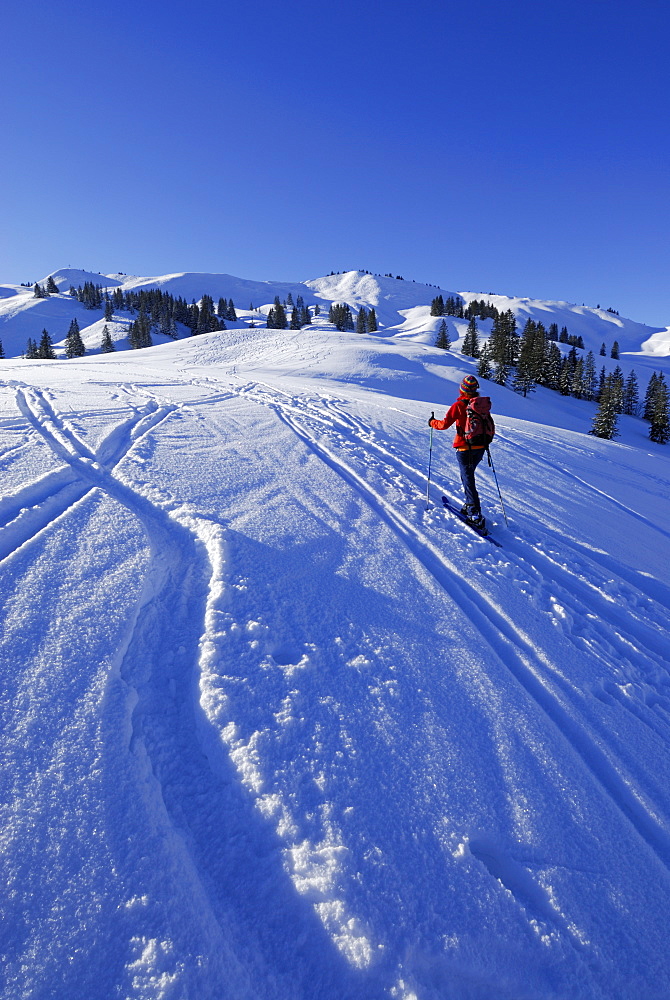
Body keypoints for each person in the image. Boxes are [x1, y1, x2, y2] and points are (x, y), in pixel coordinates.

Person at [429, 375, 487, 529]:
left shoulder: (459, 405)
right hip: (480, 447)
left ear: (462, 389)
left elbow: (444, 424)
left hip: (464, 448)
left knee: (468, 479)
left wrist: (432, 422)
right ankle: (470, 505)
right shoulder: (480, 405)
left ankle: (475, 513)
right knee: (467, 477)